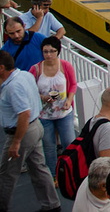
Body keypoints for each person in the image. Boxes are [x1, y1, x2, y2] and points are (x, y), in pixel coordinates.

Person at [0, 51, 61, 212]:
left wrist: (16, 142)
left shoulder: (12, 87)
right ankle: (52, 205)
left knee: (6, 173)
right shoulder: (25, 75)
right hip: (36, 127)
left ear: (1, 68)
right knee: (39, 168)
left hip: (22, 132)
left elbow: (24, 113)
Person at [29, 36, 77, 176]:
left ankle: (70, 173)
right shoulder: (36, 69)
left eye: (52, 51)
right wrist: (42, 97)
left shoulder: (65, 66)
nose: (48, 55)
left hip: (64, 113)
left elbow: (73, 85)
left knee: (69, 143)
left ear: (58, 51)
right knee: (49, 147)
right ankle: (54, 175)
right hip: (44, 115)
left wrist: (69, 100)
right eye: (45, 51)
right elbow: (30, 90)